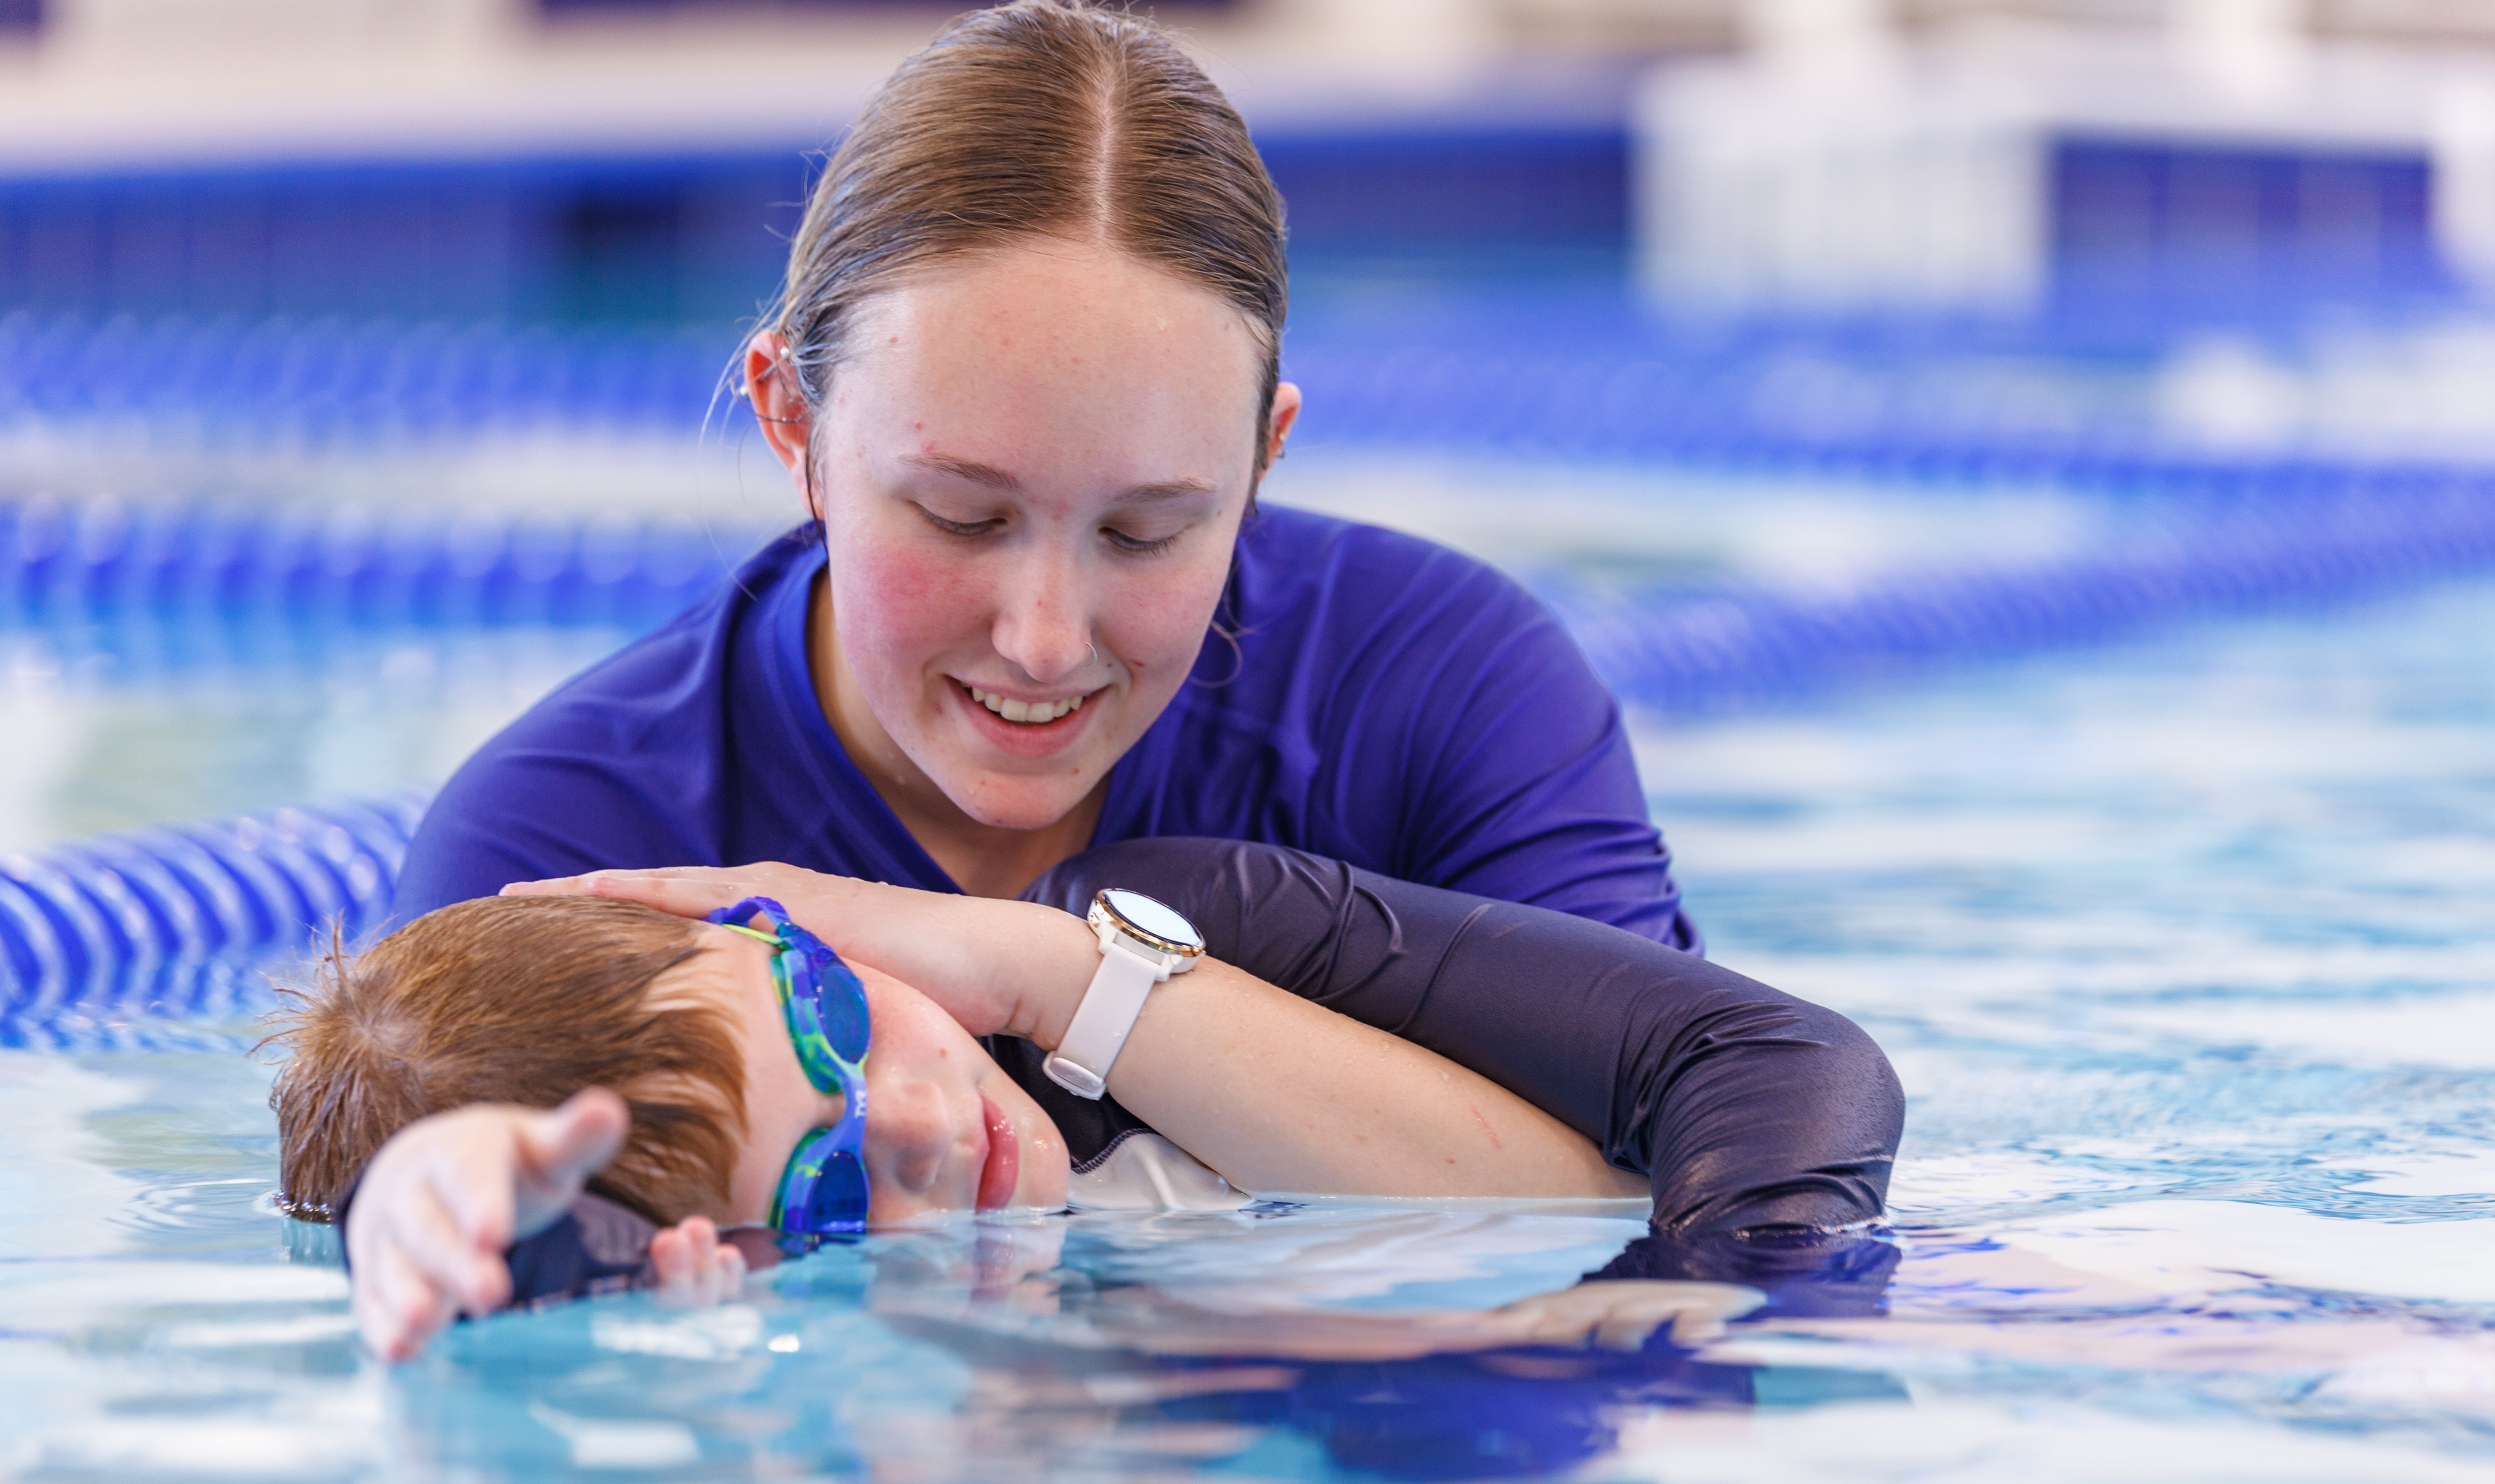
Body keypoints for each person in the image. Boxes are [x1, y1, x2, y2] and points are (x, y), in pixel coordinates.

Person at [390, 0, 1695, 949]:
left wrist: (1043, 981)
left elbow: (1740, 1136)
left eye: (1146, 533)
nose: (1044, 640)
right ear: (793, 422)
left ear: (1262, 461)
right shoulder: (571, 861)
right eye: (964, 516)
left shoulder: (1438, 692)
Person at [309, 839, 1902, 1360]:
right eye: (828, 1191)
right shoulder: (960, 1386)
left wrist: (1721, 1347)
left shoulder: (1186, 924)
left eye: (829, 1015)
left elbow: (1780, 1074)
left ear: (775, 917)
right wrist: (421, 1205)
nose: (913, 1121)